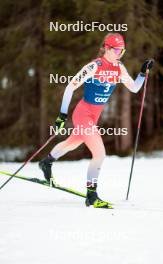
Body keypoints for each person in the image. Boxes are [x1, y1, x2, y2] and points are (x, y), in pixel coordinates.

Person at [39, 33, 154, 208]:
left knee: (73, 142)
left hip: (94, 116)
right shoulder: (94, 66)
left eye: (122, 50)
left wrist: (142, 73)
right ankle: (91, 195)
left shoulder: (119, 67)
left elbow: (135, 88)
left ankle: (47, 162)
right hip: (83, 113)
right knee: (99, 153)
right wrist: (62, 115)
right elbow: (71, 86)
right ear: (107, 48)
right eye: (117, 50)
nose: (120, 54)